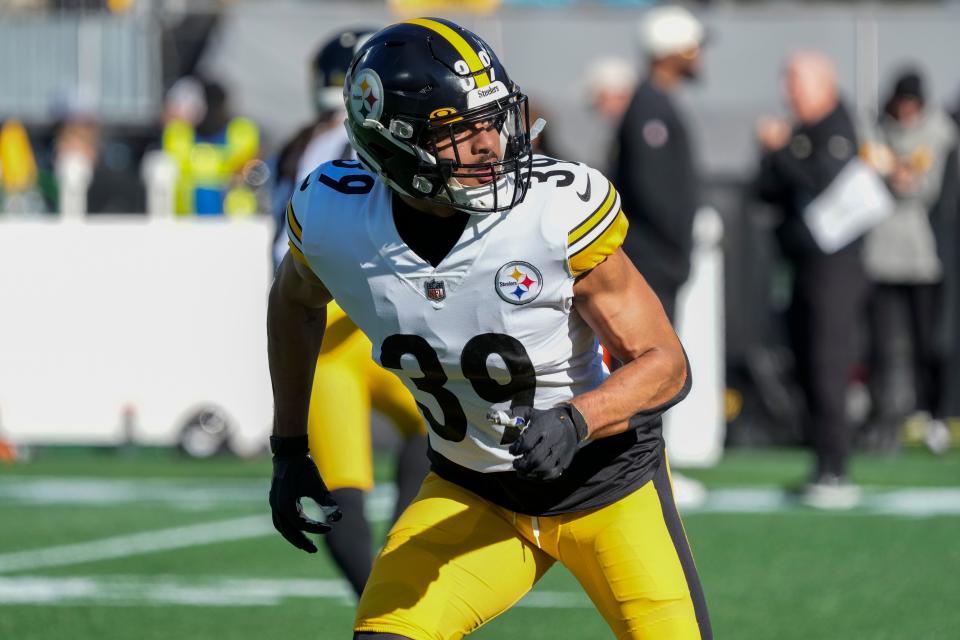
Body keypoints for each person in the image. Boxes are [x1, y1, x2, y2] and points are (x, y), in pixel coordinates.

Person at [267, 18, 711, 640]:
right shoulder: (335, 216)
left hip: (608, 487)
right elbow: (293, 303)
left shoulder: (552, 211)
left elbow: (666, 362)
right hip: (475, 494)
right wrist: (289, 447)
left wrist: (577, 417)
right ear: (394, 142)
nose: (490, 145)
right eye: (458, 130)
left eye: (492, 120)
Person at [269, 27, 430, 599]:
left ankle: (382, 601)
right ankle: (392, 603)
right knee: (443, 438)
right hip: (375, 325)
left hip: (334, 333)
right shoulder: (339, 145)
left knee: (342, 489)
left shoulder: (299, 149)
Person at [754, 52, 871, 508]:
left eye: (797, 83)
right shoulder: (799, 131)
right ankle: (821, 460)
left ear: (824, 84)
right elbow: (765, 187)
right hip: (801, 266)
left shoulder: (837, 125)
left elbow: (820, 179)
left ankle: (836, 466)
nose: (789, 93)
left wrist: (780, 149)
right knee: (805, 360)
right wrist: (779, 153)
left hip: (835, 270)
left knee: (828, 361)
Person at [861, 70, 958, 453]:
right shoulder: (876, 128)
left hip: (924, 256)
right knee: (882, 346)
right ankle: (886, 420)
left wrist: (899, 174)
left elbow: (924, 184)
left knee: (929, 341)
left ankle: (935, 415)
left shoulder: (941, 131)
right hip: (881, 254)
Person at [612, 5, 704, 323]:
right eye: (694, 48)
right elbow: (653, 188)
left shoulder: (656, 102)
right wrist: (676, 244)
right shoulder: (650, 107)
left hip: (659, 259)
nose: (699, 56)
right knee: (655, 361)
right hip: (652, 260)